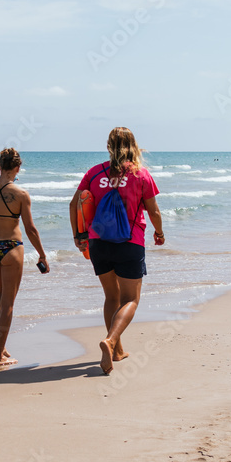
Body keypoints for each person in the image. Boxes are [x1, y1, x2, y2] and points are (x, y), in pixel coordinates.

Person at [69, 127, 164, 375]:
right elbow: (153, 210)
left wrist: (79, 236)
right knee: (131, 299)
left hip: (98, 243)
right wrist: (159, 232)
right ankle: (110, 341)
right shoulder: (141, 174)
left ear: (109, 146)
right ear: (133, 145)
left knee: (112, 297)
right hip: (129, 243)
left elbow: (74, 204)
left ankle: (117, 351)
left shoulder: (94, 172)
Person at [0, 148, 49, 370]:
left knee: (1, 297)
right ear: (18, 168)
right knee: (8, 302)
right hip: (11, 247)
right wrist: (42, 254)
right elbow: (30, 229)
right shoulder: (21, 195)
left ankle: (1, 347)